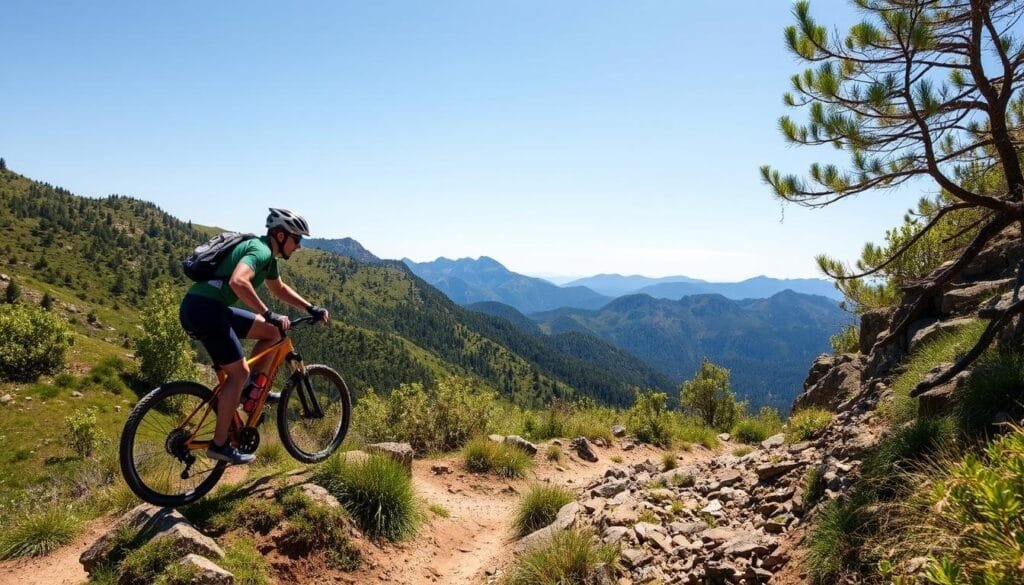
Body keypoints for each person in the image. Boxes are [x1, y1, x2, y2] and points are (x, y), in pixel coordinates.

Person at [179, 208, 329, 464]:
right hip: (206, 309)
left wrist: (309, 307)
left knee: (273, 332)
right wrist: (267, 312)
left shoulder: (268, 257)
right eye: (297, 239)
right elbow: (239, 281)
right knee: (238, 373)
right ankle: (219, 445)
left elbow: (279, 288)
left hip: (208, 306)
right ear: (281, 236)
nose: (299, 246)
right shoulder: (261, 251)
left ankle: (250, 391)